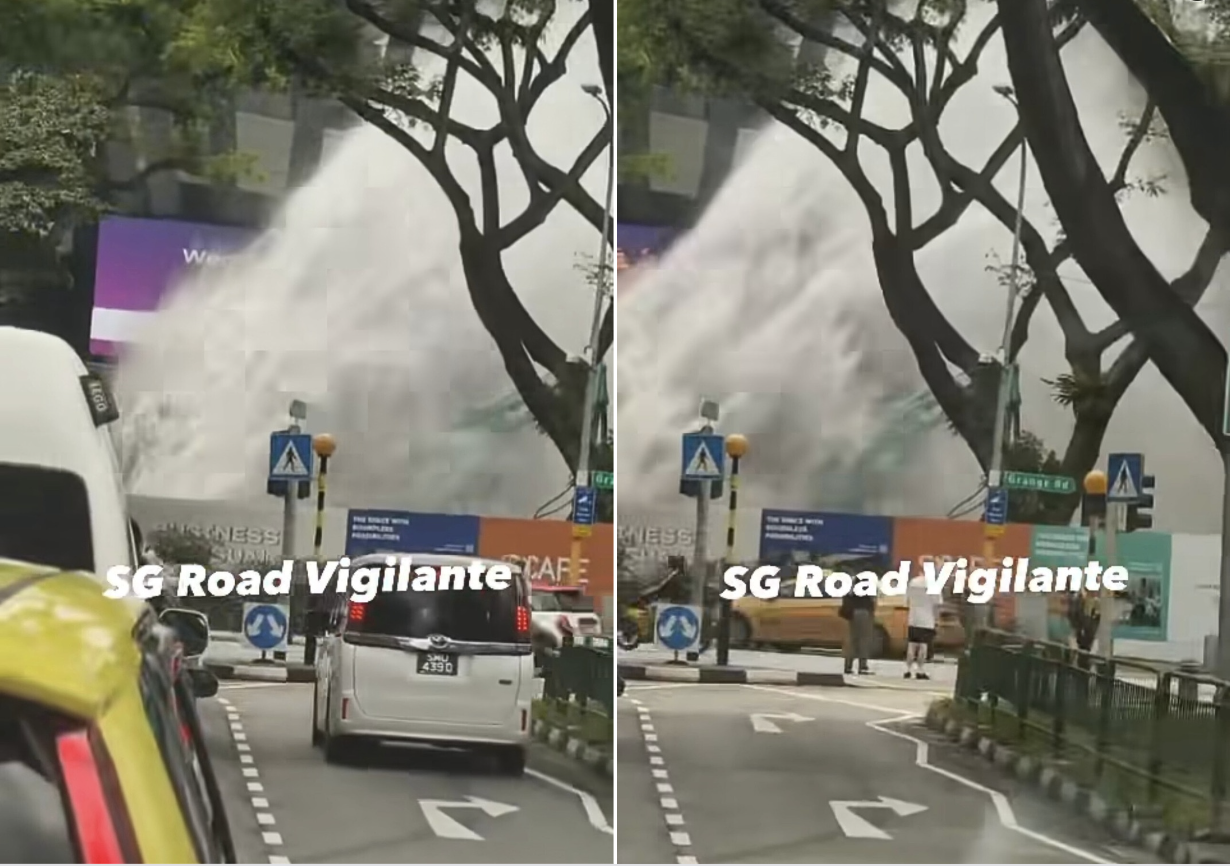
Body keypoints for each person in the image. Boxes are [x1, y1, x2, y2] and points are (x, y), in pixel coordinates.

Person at [905, 573, 939, 680]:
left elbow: (907, 600)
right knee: (923, 646)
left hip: (913, 618)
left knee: (912, 645)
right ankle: (920, 670)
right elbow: (937, 603)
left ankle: (908, 670)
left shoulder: (913, 582)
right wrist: (936, 619)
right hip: (927, 620)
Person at [840, 591, 876, 676]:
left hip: (853, 613)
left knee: (852, 639)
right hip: (864, 612)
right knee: (864, 640)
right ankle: (862, 666)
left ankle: (848, 666)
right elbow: (872, 600)